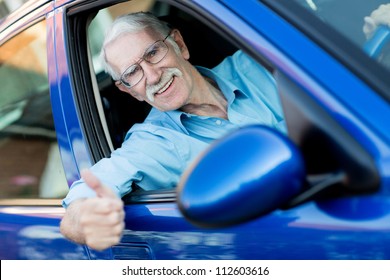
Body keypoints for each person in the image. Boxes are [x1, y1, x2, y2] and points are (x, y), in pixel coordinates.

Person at [58, 11, 285, 250]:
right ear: (130, 91)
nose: (153, 76)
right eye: (132, 73)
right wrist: (86, 218)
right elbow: (78, 206)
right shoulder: (153, 143)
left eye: (153, 53)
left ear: (179, 44)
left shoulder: (257, 65)